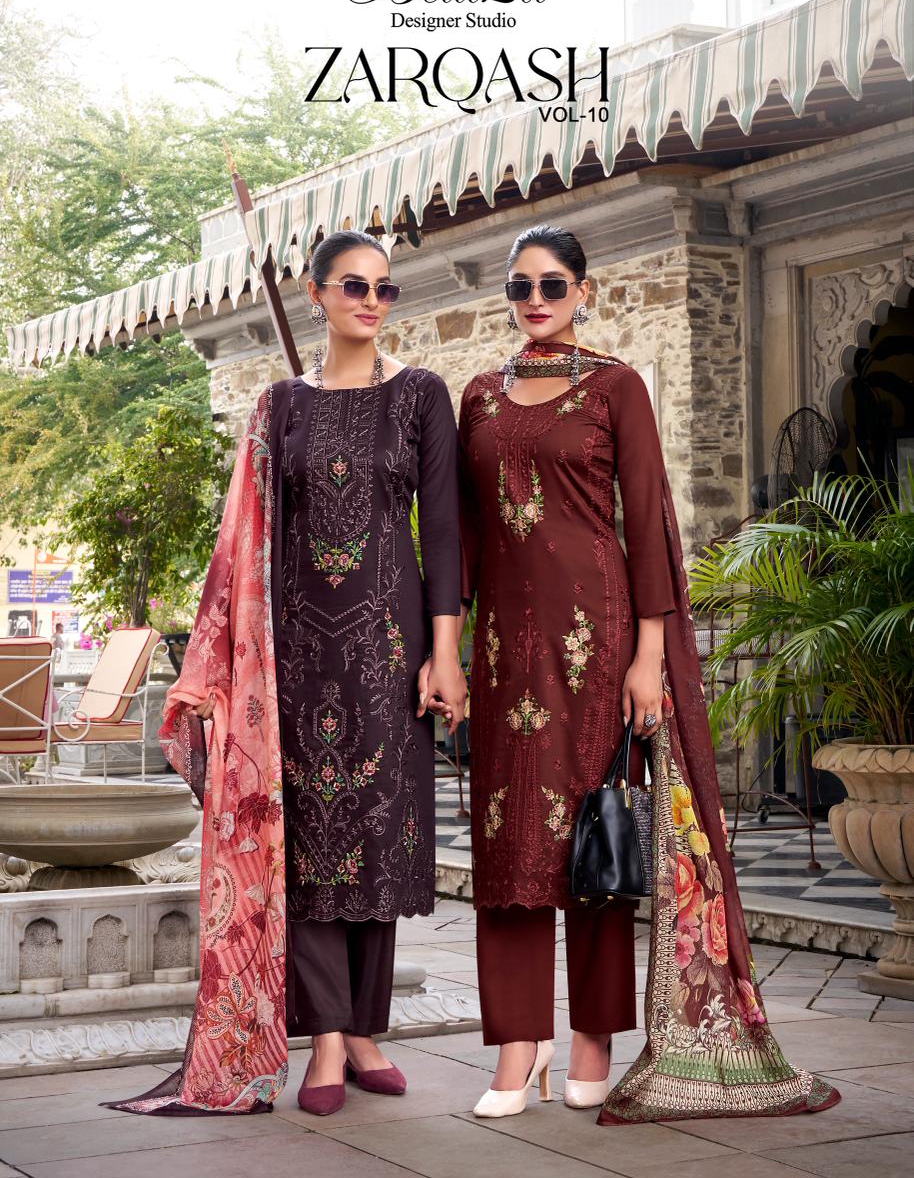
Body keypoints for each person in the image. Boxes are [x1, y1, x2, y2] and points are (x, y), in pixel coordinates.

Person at [457, 224, 840, 1123]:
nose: (536, 301)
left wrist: (650, 657)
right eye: (521, 287)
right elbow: (468, 535)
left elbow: (651, 524)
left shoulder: (616, 386)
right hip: (505, 651)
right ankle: (519, 1046)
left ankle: (593, 1038)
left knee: (594, 838)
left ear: (584, 292)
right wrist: (448, 645)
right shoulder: (477, 396)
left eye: (553, 285)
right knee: (509, 847)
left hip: (597, 643)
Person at [106, 230, 465, 1117]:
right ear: (316, 294)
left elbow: (443, 530)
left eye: (385, 288)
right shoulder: (280, 407)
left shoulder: (420, 395)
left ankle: (366, 1029)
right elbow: (248, 535)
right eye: (355, 286)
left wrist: (446, 652)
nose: (372, 301)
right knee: (306, 839)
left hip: (389, 649)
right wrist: (226, 666)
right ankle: (329, 1040)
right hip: (295, 654)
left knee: (376, 836)